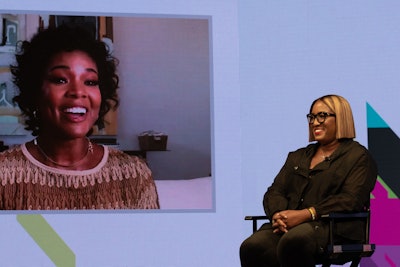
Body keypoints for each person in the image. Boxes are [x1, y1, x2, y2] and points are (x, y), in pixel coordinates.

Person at [0, 25, 159, 210]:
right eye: (60, 79)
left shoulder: (133, 175)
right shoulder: (5, 176)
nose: (78, 92)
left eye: (90, 82)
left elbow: (149, 239)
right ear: (35, 91)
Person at [240, 94, 377, 267]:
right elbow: (275, 191)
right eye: (312, 117)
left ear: (341, 118)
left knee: (294, 242)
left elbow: (350, 199)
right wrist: (279, 215)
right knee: (253, 247)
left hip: (333, 227)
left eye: (322, 116)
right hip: (290, 227)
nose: (315, 122)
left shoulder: (358, 157)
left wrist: (307, 213)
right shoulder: (298, 156)